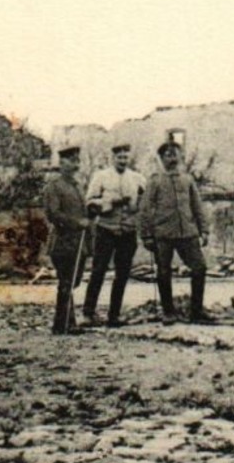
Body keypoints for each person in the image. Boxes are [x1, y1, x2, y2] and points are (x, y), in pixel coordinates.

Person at [138, 139, 214, 325]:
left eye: (175, 153)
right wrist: (147, 235)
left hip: (188, 233)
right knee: (164, 272)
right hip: (163, 235)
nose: (172, 157)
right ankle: (168, 312)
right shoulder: (155, 181)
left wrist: (204, 230)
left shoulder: (188, 180)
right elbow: (145, 209)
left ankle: (196, 311)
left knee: (200, 268)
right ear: (162, 158)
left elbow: (197, 206)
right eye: (167, 154)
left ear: (181, 156)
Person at [82, 143, 146, 327]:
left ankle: (114, 315)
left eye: (126, 157)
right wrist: (111, 202)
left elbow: (146, 199)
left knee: (122, 273)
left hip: (127, 231)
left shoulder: (137, 178)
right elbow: (90, 202)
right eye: (119, 157)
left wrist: (139, 203)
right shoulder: (101, 177)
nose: (123, 161)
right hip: (106, 230)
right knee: (98, 271)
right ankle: (88, 312)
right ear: (113, 158)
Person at [41, 146, 88, 336]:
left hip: (78, 242)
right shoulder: (53, 186)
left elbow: (82, 211)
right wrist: (76, 223)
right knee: (66, 281)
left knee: (73, 281)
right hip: (62, 241)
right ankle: (63, 324)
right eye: (70, 161)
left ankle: (66, 322)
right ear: (61, 163)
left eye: (77, 161)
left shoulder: (77, 186)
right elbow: (53, 214)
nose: (74, 164)